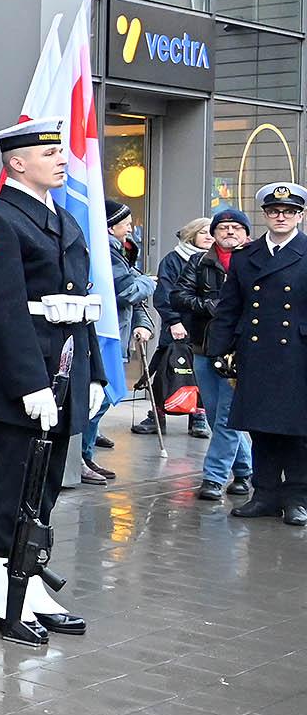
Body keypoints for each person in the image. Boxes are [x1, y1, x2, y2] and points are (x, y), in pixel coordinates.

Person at [0, 120, 106, 646]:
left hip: (66, 370)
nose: (62, 158)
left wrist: (95, 373)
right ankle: (5, 590)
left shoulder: (63, 218)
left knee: (44, 485)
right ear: (16, 162)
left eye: (61, 150)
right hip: (25, 378)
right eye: (50, 152)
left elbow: (78, 304)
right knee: (13, 485)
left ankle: (34, 581)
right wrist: (29, 384)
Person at [203, 182, 307, 526]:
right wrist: (218, 350)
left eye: (289, 212)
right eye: (275, 211)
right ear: (264, 215)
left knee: (296, 431)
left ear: (300, 216)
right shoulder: (247, 257)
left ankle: (296, 497)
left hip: (298, 352)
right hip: (257, 352)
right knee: (261, 428)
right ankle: (264, 494)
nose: (281, 217)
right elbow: (230, 307)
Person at [77, 200, 155, 484]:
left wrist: (143, 323)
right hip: (104, 338)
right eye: (126, 223)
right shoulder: (108, 250)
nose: (132, 228)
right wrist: (149, 281)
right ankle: (80, 458)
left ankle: (85, 455)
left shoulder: (122, 250)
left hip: (116, 336)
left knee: (101, 401)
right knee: (96, 400)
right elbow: (126, 291)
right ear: (111, 226)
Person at [179, 208, 254, 500]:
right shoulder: (200, 261)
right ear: (214, 233)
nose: (230, 232)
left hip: (240, 351)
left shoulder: (256, 261)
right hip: (204, 347)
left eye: (237, 227)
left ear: (246, 233)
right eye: (223, 228)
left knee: (226, 415)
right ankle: (246, 471)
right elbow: (179, 296)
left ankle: (213, 477)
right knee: (213, 412)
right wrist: (211, 306)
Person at [143, 217, 214, 438]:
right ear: (192, 234)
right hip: (177, 325)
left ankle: (198, 417)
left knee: (200, 372)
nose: (208, 236)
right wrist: (174, 321)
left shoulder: (215, 260)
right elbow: (163, 294)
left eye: (212, 232)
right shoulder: (173, 260)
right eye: (203, 232)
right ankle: (157, 415)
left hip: (204, 327)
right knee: (165, 368)